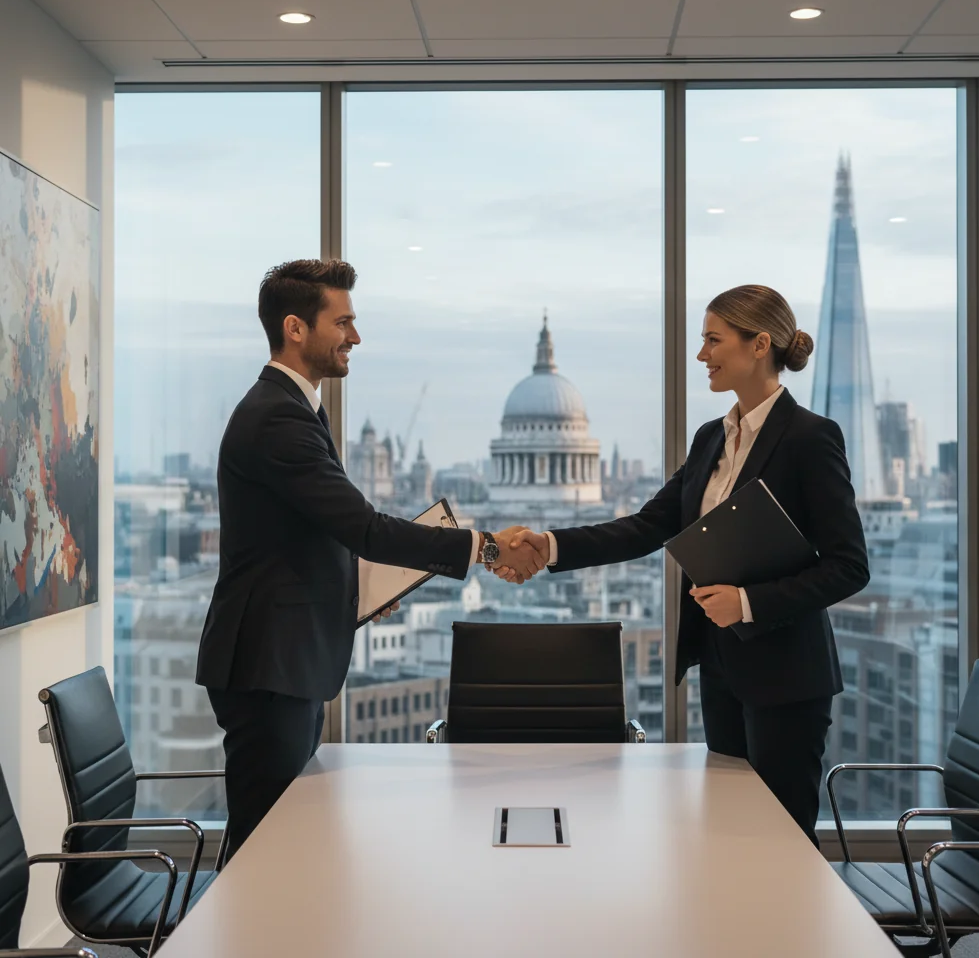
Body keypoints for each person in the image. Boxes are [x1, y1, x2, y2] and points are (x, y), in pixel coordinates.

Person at [496, 284, 870, 846]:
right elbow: (648, 526)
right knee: (730, 829)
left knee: (782, 840)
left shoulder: (811, 438)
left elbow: (849, 565)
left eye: (713, 341)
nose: (702, 356)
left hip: (787, 674)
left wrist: (746, 603)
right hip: (722, 665)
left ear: (760, 344)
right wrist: (549, 546)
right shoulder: (711, 439)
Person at [196, 259, 543, 861]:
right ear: (296, 328)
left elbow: (309, 536)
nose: (356, 337)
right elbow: (360, 526)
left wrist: (356, 592)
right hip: (270, 665)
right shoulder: (279, 415)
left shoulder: (293, 408)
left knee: (279, 841)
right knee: (267, 848)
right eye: (345, 321)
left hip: (283, 658)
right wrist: (482, 545)